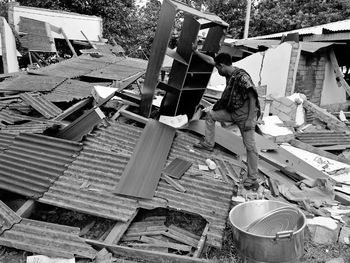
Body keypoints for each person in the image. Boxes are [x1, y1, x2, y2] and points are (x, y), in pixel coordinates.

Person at [192, 49, 261, 190]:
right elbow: (212, 61)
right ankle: (208, 143)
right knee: (210, 115)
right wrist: (196, 51)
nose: (217, 70)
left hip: (244, 116)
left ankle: (253, 178)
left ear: (222, 66)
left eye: (218, 68)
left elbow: (253, 96)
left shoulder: (242, 77)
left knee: (250, 147)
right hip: (232, 111)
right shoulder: (228, 72)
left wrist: (250, 119)